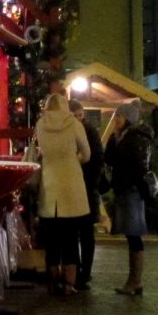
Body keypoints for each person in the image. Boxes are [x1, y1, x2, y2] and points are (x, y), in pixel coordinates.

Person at [33, 93, 91, 295]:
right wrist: (74, 158)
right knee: (70, 239)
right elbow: (87, 154)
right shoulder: (74, 124)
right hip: (72, 188)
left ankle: (53, 281)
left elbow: (40, 152)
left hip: (50, 187)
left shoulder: (41, 125)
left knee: (52, 240)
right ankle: (69, 284)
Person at [104, 100, 155, 295]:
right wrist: (112, 139)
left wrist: (127, 180)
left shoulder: (135, 138)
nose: (116, 119)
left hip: (131, 191)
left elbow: (139, 167)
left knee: (134, 235)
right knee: (131, 235)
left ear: (128, 119)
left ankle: (135, 281)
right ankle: (134, 280)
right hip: (125, 189)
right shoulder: (122, 137)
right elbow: (109, 159)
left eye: (119, 116)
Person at [69, 99, 104, 290]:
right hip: (78, 188)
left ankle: (85, 273)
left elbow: (97, 158)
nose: (77, 119)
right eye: (74, 116)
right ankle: (77, 271)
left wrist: (90, 181)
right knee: (77, 232)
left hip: (87, 188)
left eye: (80, 116)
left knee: (86, 233)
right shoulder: (74, 131)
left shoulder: (89, 132)